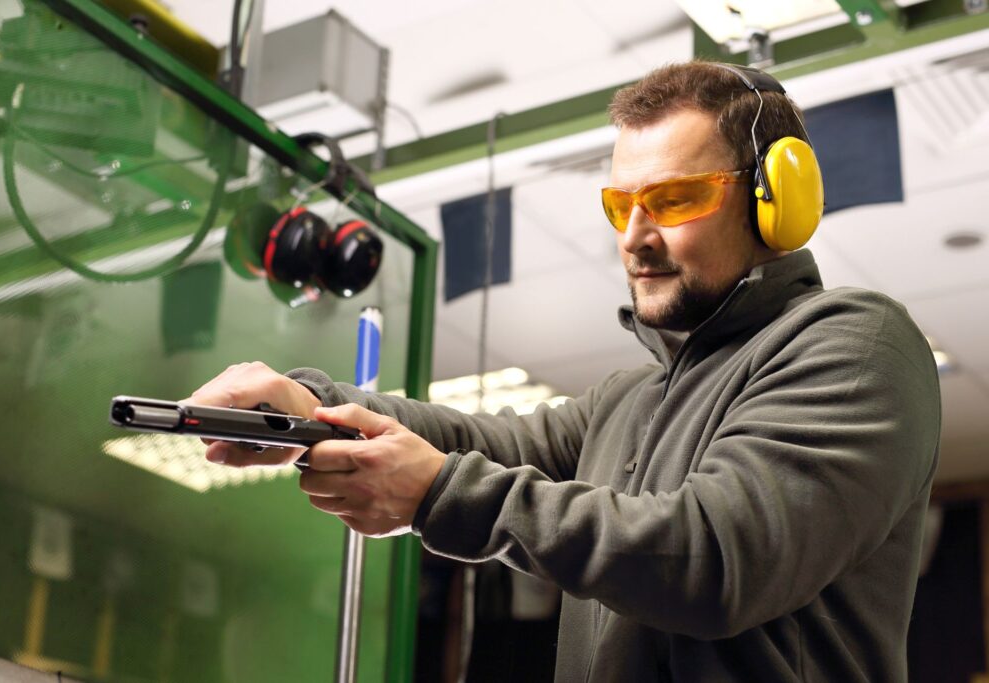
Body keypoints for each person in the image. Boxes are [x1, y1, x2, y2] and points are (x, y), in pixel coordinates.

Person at [189, 61, 941, 682]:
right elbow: (476, 442)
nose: (637, 237)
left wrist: (436, 491)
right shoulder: (632, 398)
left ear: (777, 200)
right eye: (622, 205)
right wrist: (309, 407)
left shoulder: (855, 343)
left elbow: (715, 556)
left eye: (674, 199)